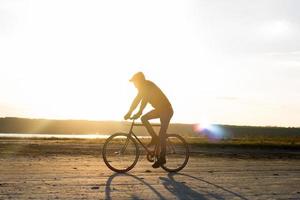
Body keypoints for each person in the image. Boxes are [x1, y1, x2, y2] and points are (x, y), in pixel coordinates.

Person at [124, 72, 173, 168]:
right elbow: (136, 100)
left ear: (140, 81)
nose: (134, 85)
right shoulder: (143, 88)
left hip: (166, 110)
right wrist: (129, 112)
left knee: (162, 134)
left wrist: (139, 112)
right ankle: (154, 138)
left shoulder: (148, 85)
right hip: (159, 110)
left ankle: (162, 158)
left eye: (135, 82)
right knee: (144, 118)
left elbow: (144, 100)